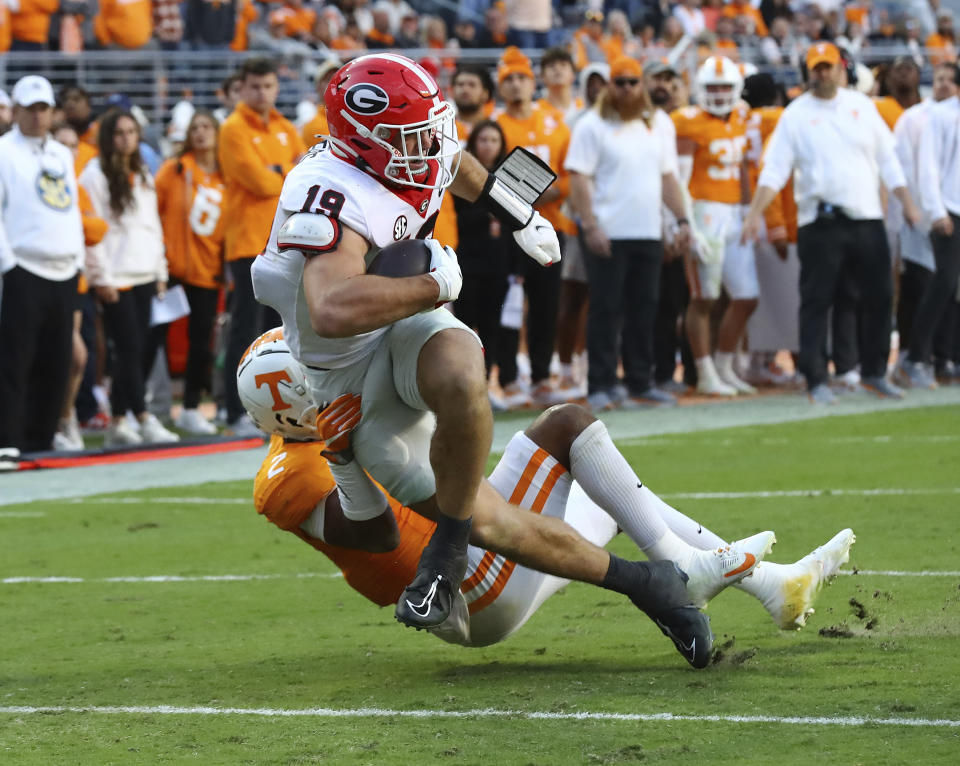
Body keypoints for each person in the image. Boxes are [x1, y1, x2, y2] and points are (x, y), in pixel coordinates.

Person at [240, 330, 854, 651]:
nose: (332, 371)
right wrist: (344, 458)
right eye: (316, 374)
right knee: (567, 427)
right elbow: (377, 533)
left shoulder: (326, 424)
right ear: (297, 408)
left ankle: (773, 588)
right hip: (466, 584)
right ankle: (688, 575)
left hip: (476, 561)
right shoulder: (289, 477)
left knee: (612, 499)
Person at [250, 53, 562, 632]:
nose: (428, 146)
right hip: (356, 351)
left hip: (386, 329)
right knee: (545, 450)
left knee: (534, 418)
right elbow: (333, 307)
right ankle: (451, 552)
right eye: (410, 136)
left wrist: (516, 210)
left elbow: (452, 160)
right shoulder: (331, 191)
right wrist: (433, 283)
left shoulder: (410, 154)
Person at [742, 42, 922, 404]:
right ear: (808, 72)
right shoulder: (795, 114)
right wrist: (754, 212)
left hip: (866, 217)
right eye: (816, 68)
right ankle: (815, 378)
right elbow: (774, 168)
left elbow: (889, 161)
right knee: (816, 300)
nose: (821, 74)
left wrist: (908, 205)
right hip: (819, 222)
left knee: (880, 296)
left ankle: (874, 372)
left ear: (842, 68)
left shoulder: (862, 107)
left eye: (827, 67)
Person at [566, 56, 690, 412]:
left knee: (644, 308)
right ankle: (601, 383)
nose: (627, 89)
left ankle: (640, 380)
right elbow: (578, 177)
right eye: (619, 82)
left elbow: (668, 177)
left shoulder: (657, 125)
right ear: (609, 86)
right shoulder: (593, 125)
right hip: (609, 231)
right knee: (606, 308)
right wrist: (589, 224)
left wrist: (681, 219)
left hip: (647, 230)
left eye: (633, 82)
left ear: (642, 85)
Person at [81, 108, 180, 446]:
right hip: (117, 274)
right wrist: (102, 277)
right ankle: (143, 416)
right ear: (107, 137)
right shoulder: (95, 175)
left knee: (139, 350)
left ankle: (119, 421)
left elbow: (151, 225)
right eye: (119, 133)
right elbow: (94, 231)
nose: (125, 139)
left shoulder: (140, 170)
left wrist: (160, 271)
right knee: (128, 347)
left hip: (144, 272)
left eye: (131, 132)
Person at [218, 57, 305, 437]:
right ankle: (233, 410)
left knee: (283, 332)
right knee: (244, 330)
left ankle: (277, 410)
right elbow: (257, 181)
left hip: (285, 242)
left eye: (268, 86)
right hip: (248, 243)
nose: (262, 93)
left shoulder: (286, 128)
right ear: (242, 88)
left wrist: (279, 173)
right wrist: (284, 172)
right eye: (255, 86)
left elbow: (302, 178)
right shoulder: (232, 129)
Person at [0, 76, 85, 464]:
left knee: (57, 359)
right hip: (23, 266)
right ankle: (8, 439)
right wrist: (8, 264)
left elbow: (70, 209)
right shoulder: (3, 152)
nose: (37, 116)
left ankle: (42, 437)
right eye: (30, 108)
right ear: (15, 110)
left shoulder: (62, 155)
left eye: (43, 108)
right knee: (15, 358)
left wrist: (79, 258)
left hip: (64, 268)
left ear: (52, 112)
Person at [672, 55, 757, 397]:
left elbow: (743, 170)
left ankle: (723, 366)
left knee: (747, 296)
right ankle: (705, 372)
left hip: (734, 212)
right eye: (712, 87)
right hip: (703, 210)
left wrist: (750, 211)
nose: (719, 93)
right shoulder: (688, 121)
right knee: (704, 297)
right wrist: (685, 223)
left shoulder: (742, 115)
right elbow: (680, 178)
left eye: (725, 87)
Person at [494, 46, 573, 409]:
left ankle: (542, 376)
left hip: (551, 226)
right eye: (508, 79)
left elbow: (570, 176)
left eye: (521, 77)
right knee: (510, 305)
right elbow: (492, 182)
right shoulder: (497, 125)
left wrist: (526, 198)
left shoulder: (555, 121)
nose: (515, 85)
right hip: (510, 234)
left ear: (532, 81)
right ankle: (509, 378)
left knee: (546, 305)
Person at [155, 109, 226, 434]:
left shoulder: (228, 175)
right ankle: (141, 409)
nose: (200, 133)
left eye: (206, 127)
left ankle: (191, 408)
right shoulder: (175, 169)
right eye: (195, 128)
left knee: (201, 344)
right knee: (152, 338)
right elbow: (152, 211)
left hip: (208, 271)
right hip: (171, 269)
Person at [892, 62, 959, 388]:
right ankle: (915, 357)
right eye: (941, 78)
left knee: (950, 286)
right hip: (948, 209)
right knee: (940, 283)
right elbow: (927, 167)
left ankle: (944, 357)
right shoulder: (937, 116)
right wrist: (934, 210)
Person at [50, 121, 109, 452]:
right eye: (63, 144)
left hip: (76, 280)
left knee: (78, 356)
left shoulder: (79, 188)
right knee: (70, 354)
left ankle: (64, 417)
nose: (70, 151)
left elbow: (98, 230)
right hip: (43, 277)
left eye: (74, 145)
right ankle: (57, 418)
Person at [452, 120, 512, 395]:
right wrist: (490, 211)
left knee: (492, 326)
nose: (488, 145)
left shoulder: (507, 179)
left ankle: (488, 384)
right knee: (465, 326)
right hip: (467, 259)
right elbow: (458, 217)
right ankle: (466, 385)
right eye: (483, 139)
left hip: (497, 261)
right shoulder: (461, 174)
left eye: (494, 140)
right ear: (474, 143)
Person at [299, 58, 342, 148]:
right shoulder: (312, 124)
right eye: (328, 80)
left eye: (338, 79)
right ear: (317, 86)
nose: (334, 84)